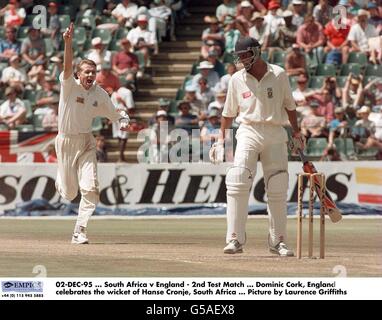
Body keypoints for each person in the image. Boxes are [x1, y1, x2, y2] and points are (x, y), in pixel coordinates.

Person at [209, 37, 305, 256]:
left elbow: (290, 106)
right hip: (248, 131)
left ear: (257, 52)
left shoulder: (279, 74)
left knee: (278, 186)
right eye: (239, 56)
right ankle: (234, 239)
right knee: (238, 179)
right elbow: (228, 114)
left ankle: (278, 241)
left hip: (275, 131)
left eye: (245, 55)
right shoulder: (236, 79)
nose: (242, 60)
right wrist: (220, 140)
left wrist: (296, 132)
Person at [56, 23, 130, 244]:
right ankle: (61, 179)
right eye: (86, 72)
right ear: (79, 74)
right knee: (69, 193)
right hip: (66, 141)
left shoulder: (100, 94)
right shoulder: (69, 86)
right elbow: (67, 66)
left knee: (90, 188)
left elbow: (114, 113)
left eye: (93, 72)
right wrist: (68, 43)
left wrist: (123, 120)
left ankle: (80, 230)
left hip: (87, 142)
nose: (90, 75)